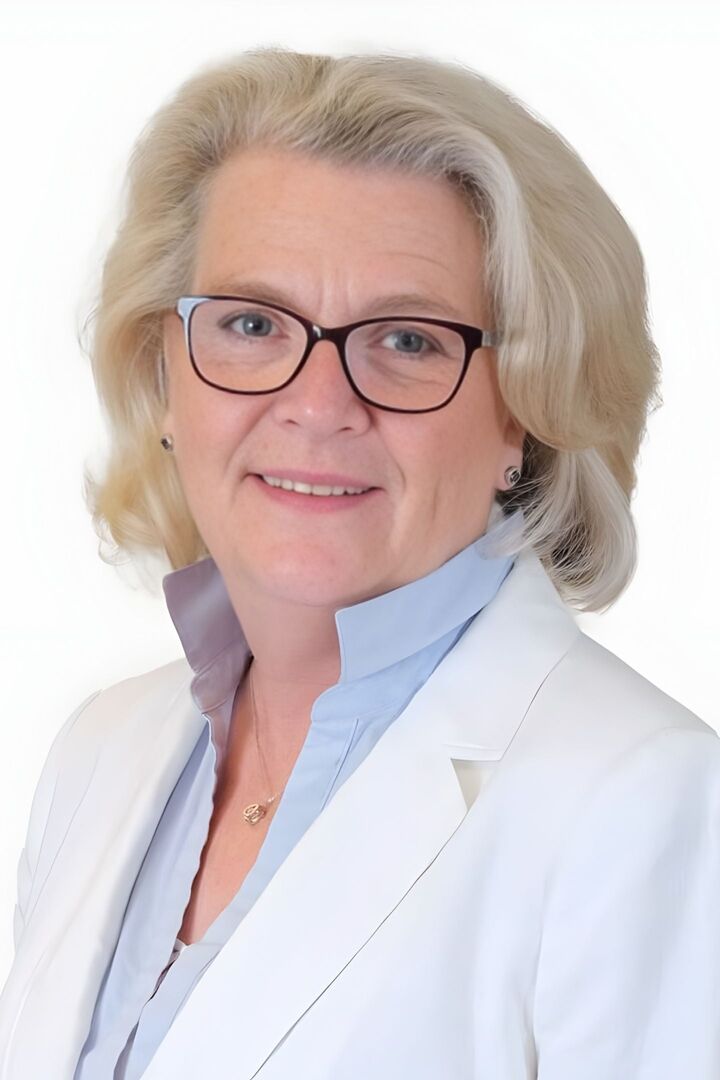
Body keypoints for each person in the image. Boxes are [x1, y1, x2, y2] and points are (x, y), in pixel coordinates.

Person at [0, 46, 717, 1080]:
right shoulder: (100, 750)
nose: (317, 404)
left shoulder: (641, 801)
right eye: (251, 324)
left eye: (408, 340)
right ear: (167, 375)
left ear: (526, 410)